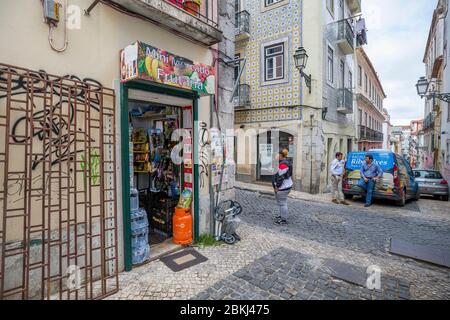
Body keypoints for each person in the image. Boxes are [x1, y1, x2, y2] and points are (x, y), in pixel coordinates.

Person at [272, 149, 293, 225]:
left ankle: (283, 219)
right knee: (281, 203)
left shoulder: (283, 164)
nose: (275, 156)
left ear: (280, 155)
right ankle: (282, 216)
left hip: (283, 187)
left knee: (282, 203)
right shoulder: (285, 162)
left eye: (276, 154)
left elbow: (280, 177)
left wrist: (277, 186)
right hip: (285, 186)